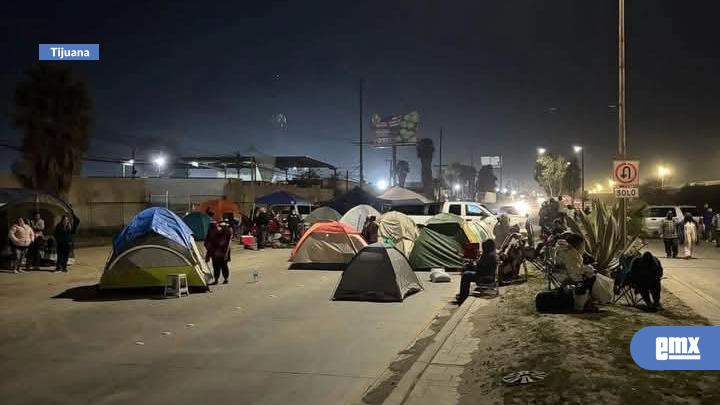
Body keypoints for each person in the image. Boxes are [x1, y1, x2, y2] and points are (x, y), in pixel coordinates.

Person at [456, 239, 497, 303]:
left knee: (466, 275)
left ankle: (463, 297)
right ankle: (463, 294)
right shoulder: (492, 255)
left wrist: (472, 266)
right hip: (488, 276)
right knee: (467, 272)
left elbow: (480, 270)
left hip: (485, 278)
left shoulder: (487, 256)